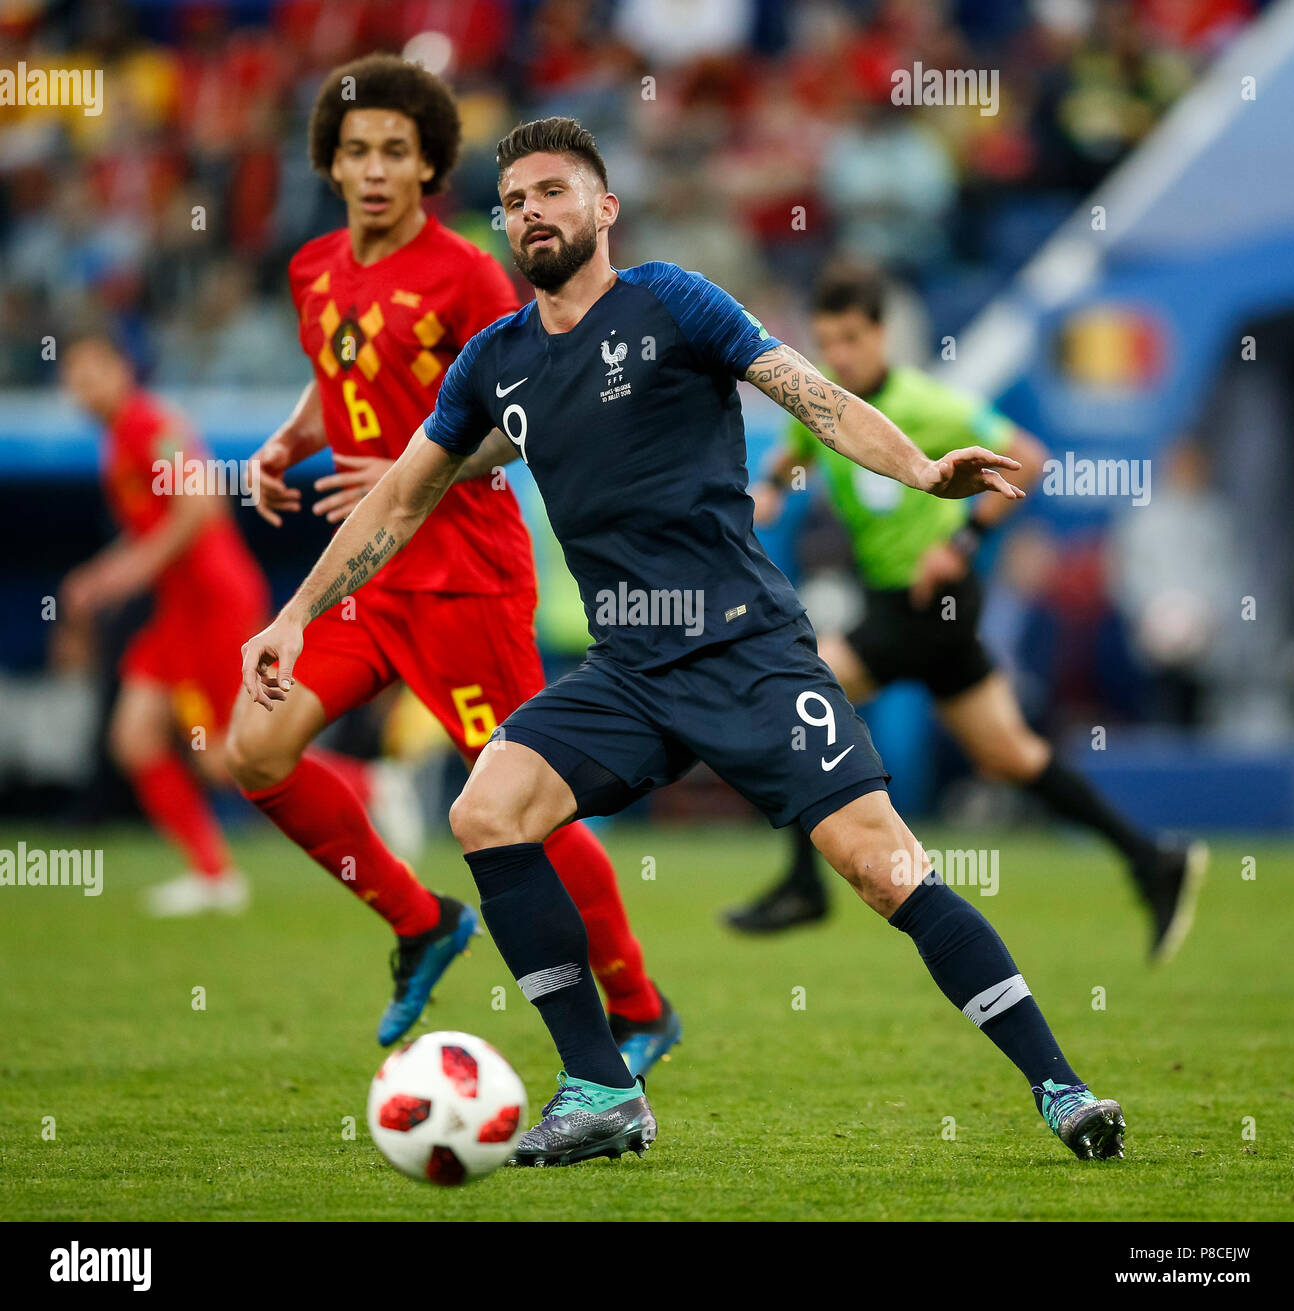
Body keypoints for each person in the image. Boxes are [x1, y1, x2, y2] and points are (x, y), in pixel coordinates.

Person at [241, 116, 1126, 1168]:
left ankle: (1060, 1086)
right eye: (514, 200)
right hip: (627, 667)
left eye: (553, 192)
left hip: (747, 650)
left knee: (884, 869)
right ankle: (602, 1087)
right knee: (488, 810)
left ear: (602, 208)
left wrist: (925, 473)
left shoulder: (674, 302)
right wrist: (296, 615)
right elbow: (398, 498)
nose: (531, 213)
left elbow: (820, 399)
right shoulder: (496, 362)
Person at [224, 58, 677, 1073]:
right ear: (329, 166)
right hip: (364, 582)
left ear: (429, 165)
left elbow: (531, 406)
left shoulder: (469, 274)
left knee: (519, 803)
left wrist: (405, 467)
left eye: (396, 151)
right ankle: (422, 922)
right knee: (251, 749)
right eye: (356, 152)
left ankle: (639, 1007)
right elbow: (336, 366)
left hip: (462, 576)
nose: (375, 169)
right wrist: (291, 440)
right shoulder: (312, 269)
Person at [727, 263, 1207, 960]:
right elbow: (802, 447)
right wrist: (770, 487)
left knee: (797, 701)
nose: (840, 356)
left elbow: (1030, 456)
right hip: (903, 606)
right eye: (828, 342)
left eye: (853, 339)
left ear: (883, 334)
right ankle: (1152, 857)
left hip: (932, 600)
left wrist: (964, 541)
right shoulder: (827, 400)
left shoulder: (927, 403)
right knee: (1008, 752)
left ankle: (806, 882)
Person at [60, 330, 268, 917]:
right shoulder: (119, 439)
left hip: (216, 603)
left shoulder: (148, 423)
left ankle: (367, 787)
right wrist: (101, 575)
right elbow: (153, 527)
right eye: (70, 378)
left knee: (228, 756)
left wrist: (130, 573)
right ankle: (213, 875)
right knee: (135, 736)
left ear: (121, 369)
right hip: (179, 612)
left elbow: (200, 504)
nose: (78, 388)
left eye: (88, 373)